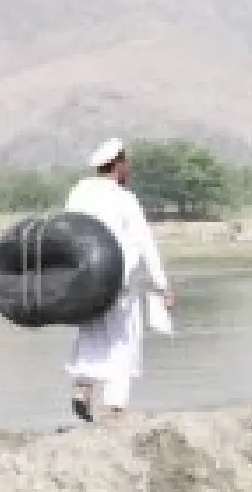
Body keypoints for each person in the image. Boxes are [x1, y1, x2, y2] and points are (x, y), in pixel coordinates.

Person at [65, 138, 173, 422]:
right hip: (118, 281)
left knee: (91, 332)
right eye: (126, 163)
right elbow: (144, 241)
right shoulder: (124, 197)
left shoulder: (78, 192)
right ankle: (115, 407)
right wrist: (162, 284)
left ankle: (82, 391)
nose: (128, 169)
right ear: (119, 165)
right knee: (124, 338)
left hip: (85, 278)